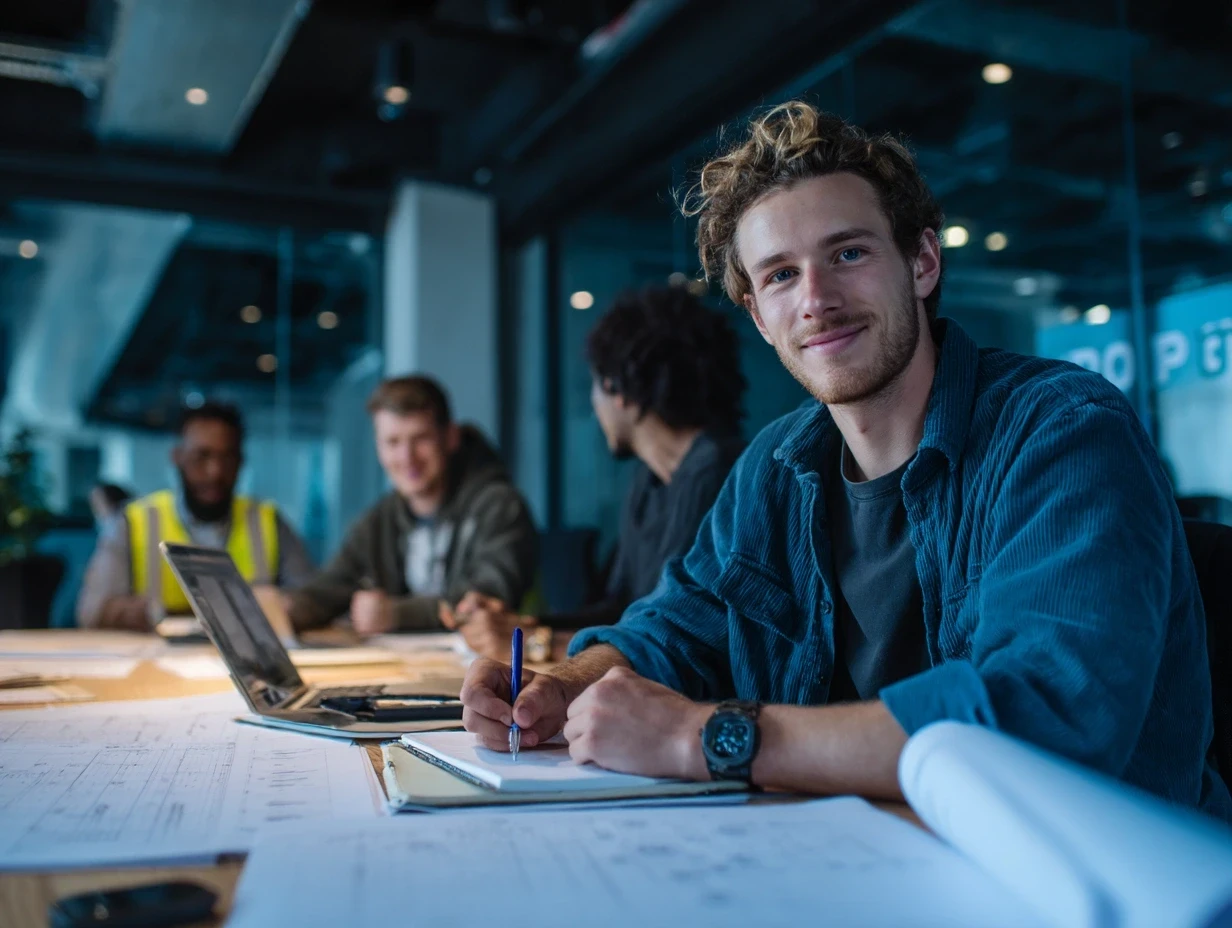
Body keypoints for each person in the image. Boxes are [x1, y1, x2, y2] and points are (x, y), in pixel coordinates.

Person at [460, 101, 1232, 822]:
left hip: (1086, 880)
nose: (816, 300)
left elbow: (1047, 721)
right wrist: (560, 685)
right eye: (781, 275)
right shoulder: (776, 466)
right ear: (759, 316)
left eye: (849, 252)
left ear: (922, 262)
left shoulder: (1062, 432)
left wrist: (708, 738)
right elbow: (673, 626)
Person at [450, 286, 748, 659]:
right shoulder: (650, 481)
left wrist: (539, 646)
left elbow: (680, 633)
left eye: (595, 386)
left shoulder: (721, 475)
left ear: (618, 389)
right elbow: (618, 608)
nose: (595, 407)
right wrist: (520, 624)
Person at [287, 375, 537, 636]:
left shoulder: (500, 507)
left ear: (451, 437)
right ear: (378, 448)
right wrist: (288, 609)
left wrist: (396, 614)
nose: (407, 458)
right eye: (392, 442)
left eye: (421, 438)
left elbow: (487, 599)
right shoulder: (379, 520)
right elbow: (330, 587)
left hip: (503, 669)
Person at [77, 402, 315, 630]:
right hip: (158, 662)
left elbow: (310, 598)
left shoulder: (268, 521)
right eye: (201, 457)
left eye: (227, 458)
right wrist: (164, 614)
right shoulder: (135, 521)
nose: (215, 472)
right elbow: (93, 610)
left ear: (241, 462)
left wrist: (275, 607)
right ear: (177, 457)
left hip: (252, 662)